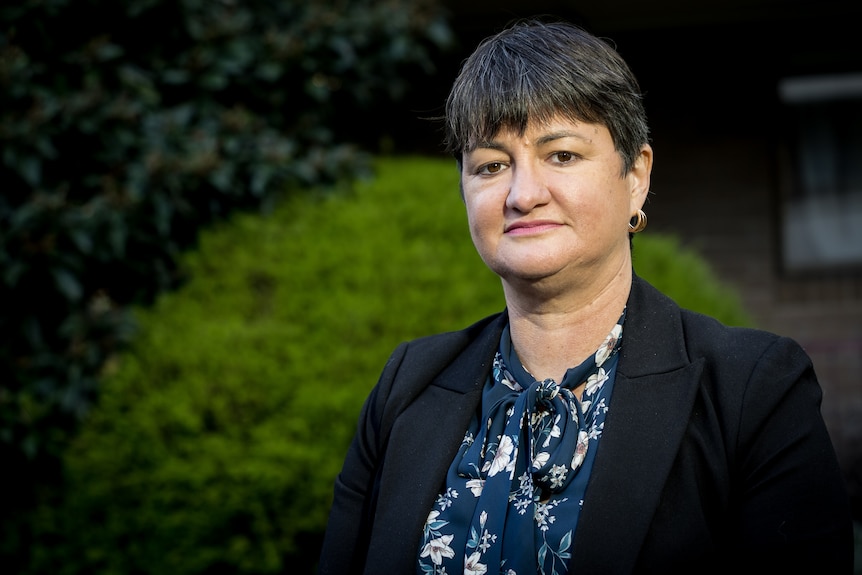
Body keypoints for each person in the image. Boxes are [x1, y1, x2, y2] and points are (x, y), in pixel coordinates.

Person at [317, 18, 853, 575]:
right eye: (492, 166)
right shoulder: (406, 386)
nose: (523, 195)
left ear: (637, 175)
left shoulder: (753, 392)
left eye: (562, 155)